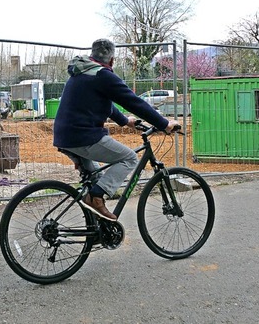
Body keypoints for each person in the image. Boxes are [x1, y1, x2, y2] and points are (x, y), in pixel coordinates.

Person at [53, 38, 180, 221]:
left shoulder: (83, 72)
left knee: (96, 178)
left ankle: (95, 225)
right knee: (129, 158)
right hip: (83, 137)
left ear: (92, 55)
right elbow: (133, 101)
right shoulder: (103, 75)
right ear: (112, 60)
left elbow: (105, 104)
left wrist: (125, 121)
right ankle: (95, 199)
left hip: (66, 136)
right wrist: (164, 124)